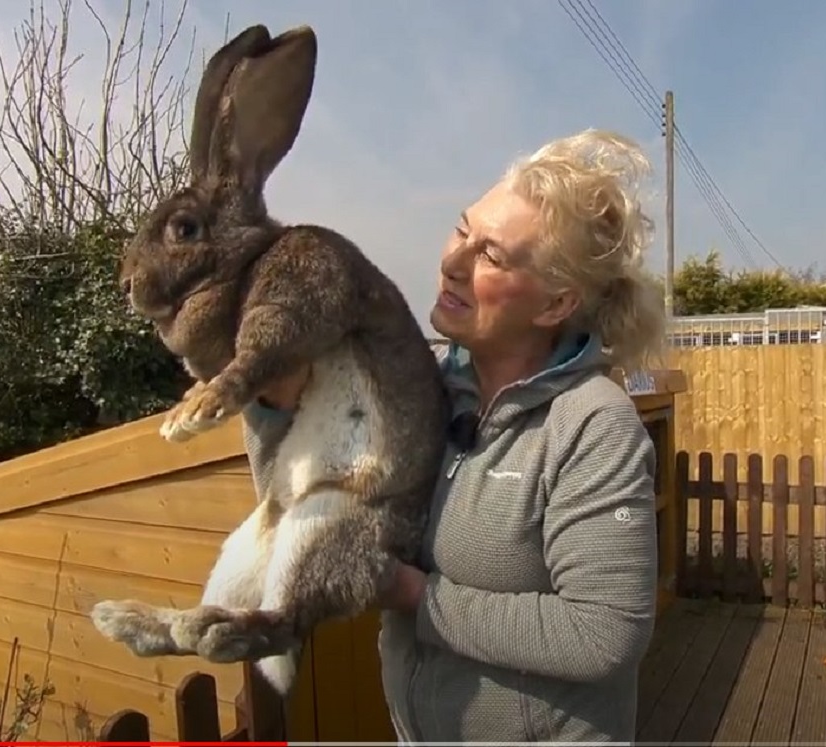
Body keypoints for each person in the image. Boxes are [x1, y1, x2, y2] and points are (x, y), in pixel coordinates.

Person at [242, 128, 665, 743]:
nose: (451, 261)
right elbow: (299, 517)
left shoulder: (593, 425)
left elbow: (604, 633)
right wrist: (275, 402)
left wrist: (412, 594)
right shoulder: (422, 391)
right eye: (463, 230)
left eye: (491, 256)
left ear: (554, 305)